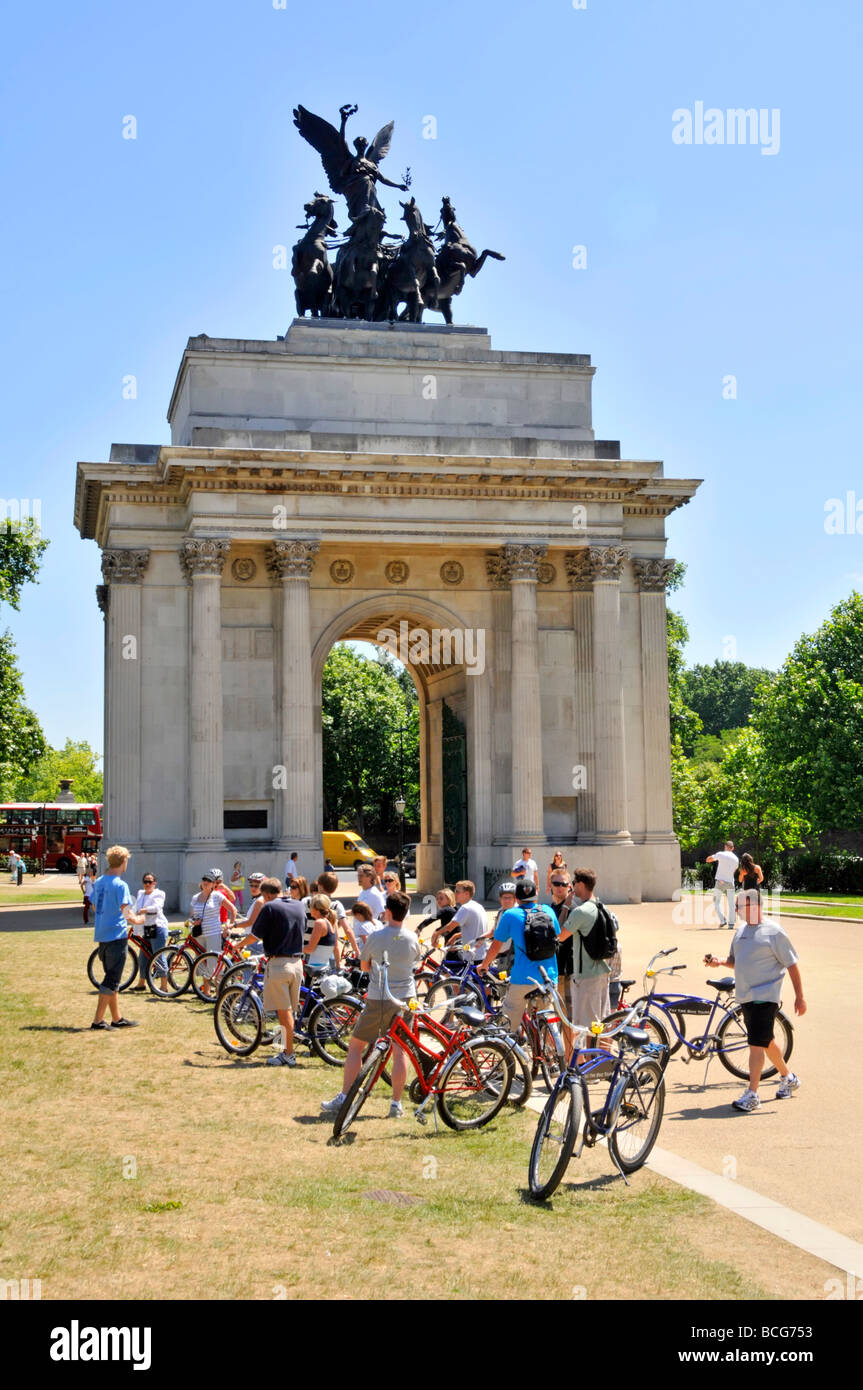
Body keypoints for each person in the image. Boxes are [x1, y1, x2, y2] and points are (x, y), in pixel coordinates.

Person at [320, 890, 421, 1119]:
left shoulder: (376, 936)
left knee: (356, 1045)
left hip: (379, 995)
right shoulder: (412, 937)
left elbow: (364, 966)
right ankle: (396, 1103)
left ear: (387, 911)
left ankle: (345, 1096)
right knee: (399, 1050)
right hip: (406, 997)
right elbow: (416, 962)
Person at [705, 887, 805, 1111]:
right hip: (746, 997)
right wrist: (719, 961)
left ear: (755, 906)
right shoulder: (740, 932)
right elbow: (735, 960)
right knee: (765, 1041)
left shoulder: (774, 932)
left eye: (740, 905)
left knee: (755, 1046)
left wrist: (800, 996)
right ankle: (789, 1078)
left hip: (765, 996)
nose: (737, 910)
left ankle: (752, 1094)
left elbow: (792, 963)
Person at [478, 881, 567, 1031]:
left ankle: (508, 1047)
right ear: (535, 896)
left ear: (516, 899)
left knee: (508, 1024)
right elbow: (557, 935)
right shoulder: (548, 910)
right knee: (546, 1023)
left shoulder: (510, 915)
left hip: (522, 978)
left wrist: (484, 965)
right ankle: (551, 1050)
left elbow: (496, 945)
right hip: (548, 977)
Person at [236, 877, 304, 1068]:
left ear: (266, 895)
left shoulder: (269, 907)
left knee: (284, 1013)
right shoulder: (298, 905)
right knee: (289, 1011)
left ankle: (288, 1054)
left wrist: (238, 944)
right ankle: (285, 1049)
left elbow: (254, 936)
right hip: (297, 963)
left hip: (279, 964)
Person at [90, 845, 147, 1030]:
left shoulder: (99, 882)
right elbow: (126, 912)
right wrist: (138, 919)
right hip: (116, 935)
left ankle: (117, 1018)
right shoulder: (120, 885)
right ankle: (98, 1021)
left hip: (102, 935)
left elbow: (93, 907)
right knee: (112, 979)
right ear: (123, 862)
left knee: (112, 978)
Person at [564, 868, 612, 1027]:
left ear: (581, 884)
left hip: (586, 976)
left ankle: (593, 1053)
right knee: (603, 1022)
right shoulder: (602, 906)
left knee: (588, 1026)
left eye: (574, 883)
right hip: (602, 971)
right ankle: (603, 1053)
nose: (572, 886)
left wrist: (566, 907)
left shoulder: (580, 912)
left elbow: (560, 936)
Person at [188, 869, 237, 997]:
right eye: (204, 879)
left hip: (213, 933)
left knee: (214, 963)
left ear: (213, 884)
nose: (205, 882)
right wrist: (194, 921)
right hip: (199, 934)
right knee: (202, 962)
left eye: (208, 881)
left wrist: (229, 926)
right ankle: (206, 991)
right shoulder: (195, 897)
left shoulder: (217, 895)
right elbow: (191, 916)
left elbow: (233, 909)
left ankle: (221, 992)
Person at [130, 872, 170, 991]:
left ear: (154, 883)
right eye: (145, 881)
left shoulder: (159, 893)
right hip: (146, 928)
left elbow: (157, 908)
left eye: (150, 882)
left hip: (157, 927)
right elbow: (135, 907)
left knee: (158, 956)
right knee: (143, 956)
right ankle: (141, 983)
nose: (147, 884)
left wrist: (143, 910)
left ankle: (164, 986)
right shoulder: (140, 893)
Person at [448, 880, 493, 961]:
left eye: (457, 892)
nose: (455, 894)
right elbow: (474, 929)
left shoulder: (466, 907)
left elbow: (450, 927)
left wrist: (437, 933)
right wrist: (456, 936)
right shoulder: (478, 906)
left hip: (473, 956)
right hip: (481, 954)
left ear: (466, 894)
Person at [706, 840, 740, 929]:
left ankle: (722, 920)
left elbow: (708, 859)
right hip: (730, 882)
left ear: (725, 846)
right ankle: (731, 924)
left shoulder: (720, 854)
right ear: (733, 848)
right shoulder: (736, 858)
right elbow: (734, 871)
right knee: (731, 904)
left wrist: (713, 857)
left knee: (716, 901)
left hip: (720, 882)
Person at [304, 893, 341, 970]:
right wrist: (338, 966)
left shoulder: (319, 923)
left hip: (315, 969)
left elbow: (310, 949)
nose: (309, 908)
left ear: (316, 910)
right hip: (325, 968)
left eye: (310, 906)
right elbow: (336, 947)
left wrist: (294, 948)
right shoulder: (332, 923)